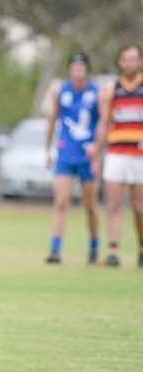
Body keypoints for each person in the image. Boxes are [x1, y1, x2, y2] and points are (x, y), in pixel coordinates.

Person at [44, 52, 102, 265]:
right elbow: (52, 120)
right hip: (66, 153)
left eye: (81, 68)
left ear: (86, 71)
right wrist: (48, 150)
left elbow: (103, 123)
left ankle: (94, 246)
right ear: (69, 71)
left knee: (90, 205)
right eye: (74, 68)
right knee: (61, 202)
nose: (77, 72)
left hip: (87, 154)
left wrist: (97, 152)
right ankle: (55, 249)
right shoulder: (60, 92)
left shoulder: (97, 93)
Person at [91, 44, 143, 268]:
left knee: (139, 207)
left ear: (140, 62)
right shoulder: (111, 89)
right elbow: (104, 123)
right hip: (115, 153)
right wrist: (96, 153)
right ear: (120, 63)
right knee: (113, 204)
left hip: (139, 155)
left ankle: (141, 247)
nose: (130, 63)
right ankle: (113, 250)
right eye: (126, 59)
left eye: (134, 59)